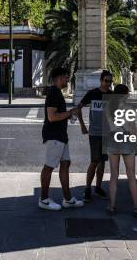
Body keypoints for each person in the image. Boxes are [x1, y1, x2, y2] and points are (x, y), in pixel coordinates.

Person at [38, 67, 84, 211]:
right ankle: (44, 199)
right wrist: (70, 113)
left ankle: (68, 199)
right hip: (54, 135)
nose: (67, 80)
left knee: (65, 163)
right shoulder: (53, 93)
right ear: (58, 78)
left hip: (61, 136)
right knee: (49, 166)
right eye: (65, 77)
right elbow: (52, 117)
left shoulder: (57, 93)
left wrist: (69, 114)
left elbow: (58, 115)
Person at [76, 70, 113, 202]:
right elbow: (78, 107)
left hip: (107, 134)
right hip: (95, 133)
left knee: (102, 162)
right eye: (106, 81)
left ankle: (98, 187)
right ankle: (87, 188)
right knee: (94, 161)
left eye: (110, 81)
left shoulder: (112, 95)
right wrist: (82, 125)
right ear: (101, 80)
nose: (108, 84)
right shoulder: (92, 93)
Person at [106, 84, 137, 218]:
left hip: (112, 140)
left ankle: (112, 207)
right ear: (124, 94)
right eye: (128, 93)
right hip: (126, 140)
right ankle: (136, 208)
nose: (129, 95)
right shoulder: (128, 109)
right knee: (131, 175)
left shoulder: (109, 107)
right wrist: (136, 143)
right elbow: (132, 129)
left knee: (114, 175)